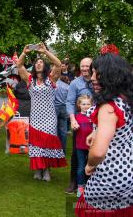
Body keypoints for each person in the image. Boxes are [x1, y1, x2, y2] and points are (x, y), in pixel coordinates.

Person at [75, 52, 133, 216]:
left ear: (110, 75)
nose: (92, 77)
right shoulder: (126, 100)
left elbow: (99, 152)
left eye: (96, 72)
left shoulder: (109, 107)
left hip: (110, 178)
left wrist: (90, 164)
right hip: (129, 176)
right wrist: (97, 131)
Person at [16, 43, 66, 181]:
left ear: (45, 66)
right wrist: (24, 53)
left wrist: (45, 52)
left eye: (41, 62)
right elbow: (19, 66)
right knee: (36, 144)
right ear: (34, 66)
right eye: (37, 62)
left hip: (49, 117)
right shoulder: (29, 80)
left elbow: (58, 63)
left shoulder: (51, 79)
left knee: (47, 144)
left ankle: (47, 171)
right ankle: (38, 169)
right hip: (36, 118)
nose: (38, 64)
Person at [65, 57, 93, 194]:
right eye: (82, 66)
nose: (84, 69)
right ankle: (74, 181)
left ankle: (90, 183)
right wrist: (72, 119)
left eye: (87, 66)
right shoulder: (75, 83)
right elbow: (70, 102)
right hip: (79, 124)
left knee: (93, 154)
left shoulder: (97, 82)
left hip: (94, 125)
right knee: (77, 154)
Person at [73, 94, 93, 197]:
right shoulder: (76, 116)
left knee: (92, 166)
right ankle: (80, 187)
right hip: (80, 146)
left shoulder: (94, 116)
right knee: (81, 166)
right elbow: (74, 128)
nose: (86, 106)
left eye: (88, 104)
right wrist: (75, 127)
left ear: (92, 104)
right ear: (79, 105)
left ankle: (91, 186)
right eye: (83, 104)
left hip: (92, 146)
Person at [54, 75, 70, 154]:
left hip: (55, 108)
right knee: (63, 130)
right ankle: (63, 151)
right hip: (64, 108)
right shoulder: (67, 87)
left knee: (54, 129)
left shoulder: (54, 84)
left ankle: (56, 150)